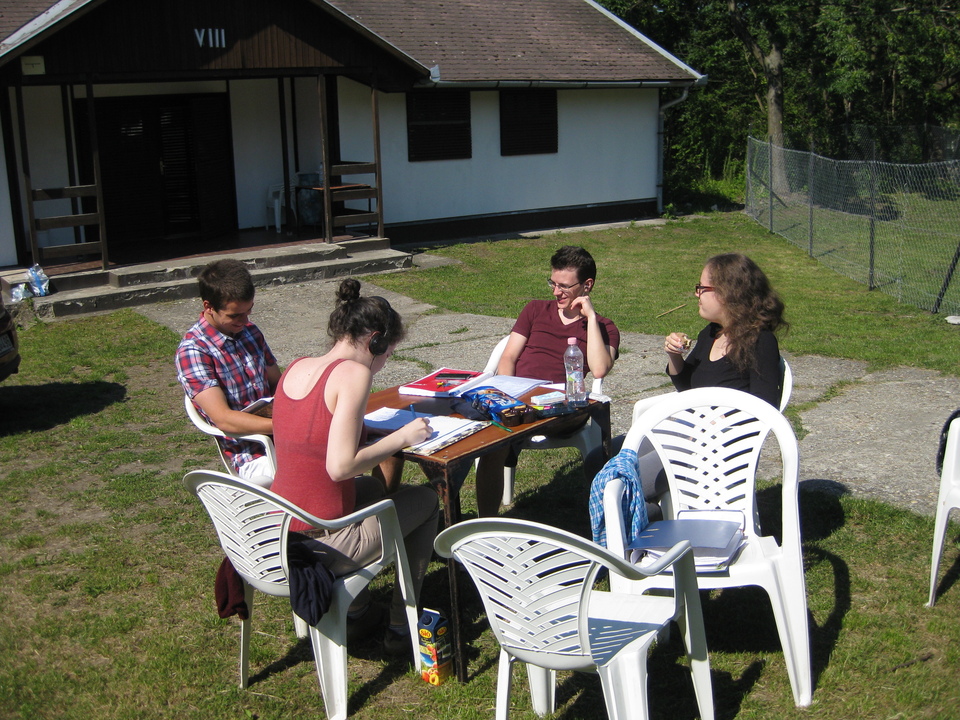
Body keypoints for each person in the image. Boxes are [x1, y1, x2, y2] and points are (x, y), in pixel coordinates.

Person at [269, 278, 439, 655]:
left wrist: (368, 433)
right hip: (317, 542)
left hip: (276, 529)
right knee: (427, 502)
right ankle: (401, 626)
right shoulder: (355, 374)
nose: (385, 362)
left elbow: (312, 434)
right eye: (388, 353)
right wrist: (403, 437)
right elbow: (340, 467)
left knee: (376, 489)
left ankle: (359, 611)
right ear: (375, 341)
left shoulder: (298, 366)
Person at [475, 245, 620, 517]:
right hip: (519, 399)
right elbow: (508, 357)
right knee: (489, 443)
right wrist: (508, 395)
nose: (555, 292)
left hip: (565, 407)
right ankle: (485, 522)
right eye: (553, 283)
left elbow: (600, 369)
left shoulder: (604, 327)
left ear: (587, 285)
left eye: (564, 286)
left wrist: (589, 318)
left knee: (501, 433)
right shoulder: (534, 310)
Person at [176, 259, 281, 487]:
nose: (245, 321)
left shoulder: (250, 332)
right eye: (234, 315)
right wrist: (287, 425)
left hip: (283, 437)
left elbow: (278, 383)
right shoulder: (194, 350)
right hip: (249, 453)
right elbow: (224, 419)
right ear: (209, 307)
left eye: (248, 311)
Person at [664, 252, 787, 407]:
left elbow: (765, 406)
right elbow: (687, 388)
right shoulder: (711, 333)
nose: (696, 294)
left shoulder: (759, 341)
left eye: (701, 288)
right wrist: (674, 355)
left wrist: (724, 417)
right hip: (701, 420)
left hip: (730, 423)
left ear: (726, 293)